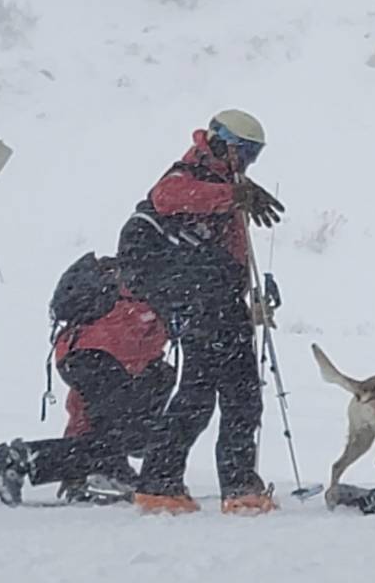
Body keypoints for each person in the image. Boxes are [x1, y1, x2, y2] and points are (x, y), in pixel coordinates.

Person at [116, 109, 284, 515]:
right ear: (221, 142)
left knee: (213, 392)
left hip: (212, 299)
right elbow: (166, 197)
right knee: (223, 392)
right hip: (199, 299)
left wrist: (247, 296)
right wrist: (234, 194)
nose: (246, 163)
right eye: (244, 153)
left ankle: (164, 483)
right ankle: (227, 485)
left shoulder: (224, 183)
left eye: (253, 156)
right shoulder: (189, 174)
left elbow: (231, 252)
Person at [0, 256, 175, 506]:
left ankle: (93, 472)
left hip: (79, 352)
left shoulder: (128, 286)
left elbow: (82, 413)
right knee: (126, 431)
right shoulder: (159, 287)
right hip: (106, 354)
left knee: (111, 426)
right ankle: (21, 459)